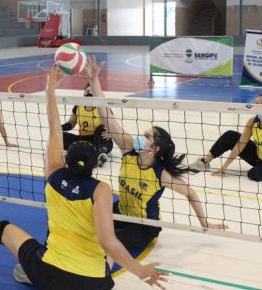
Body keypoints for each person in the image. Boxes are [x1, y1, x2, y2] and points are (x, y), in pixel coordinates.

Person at [0, 65, 167, 290]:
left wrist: (50, 89)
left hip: (47, 274)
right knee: (103, 244)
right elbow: (109, 242)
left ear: (66, 159)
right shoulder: (101, 190)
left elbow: (55, 128)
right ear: (95, 165)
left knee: (4, 229)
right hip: (92, 283)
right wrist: (139, 270)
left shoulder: (53, 174)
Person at [87, 56, 228, 251]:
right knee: (86, 223)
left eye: (147, 136)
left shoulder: (160, 174)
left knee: (105, 240)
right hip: (121, 211)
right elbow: (106, 115)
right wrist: (94, 80)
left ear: (154, 148)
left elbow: (191, 193)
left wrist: (205, 224)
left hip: (145, 226)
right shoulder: (129, 149)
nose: (141, 136)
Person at [190, 92, 262, 187]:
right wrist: (224, 167)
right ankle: (204, 162)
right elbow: (240, 145)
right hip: (258, 157)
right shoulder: (252, 121)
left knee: (253, 175)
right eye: (257, 103)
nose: (258, 106)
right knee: (230, 135)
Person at [62, 83, 114, 167]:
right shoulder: (78, 106)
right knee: (60, 135)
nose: (89, 93)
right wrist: (58, 128)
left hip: (100, 141)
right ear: (84, 93)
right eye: (88, 91)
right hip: (83, 141)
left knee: (101, 129)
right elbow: (70, 124)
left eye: (93, 92)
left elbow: (114, 127)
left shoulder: (103, 108)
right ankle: (87, 153)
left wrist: (111, 132)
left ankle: (101, 155)